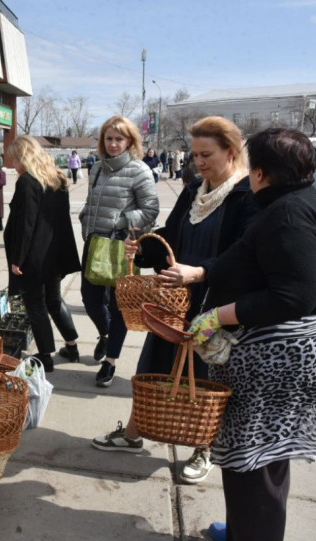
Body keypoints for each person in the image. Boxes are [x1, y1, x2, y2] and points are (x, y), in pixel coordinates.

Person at [188, 128, 316, 541]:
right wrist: (204, 274)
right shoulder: (311, 203)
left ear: (260, 171)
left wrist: (217, 317)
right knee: (261, 461)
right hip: (292, 353)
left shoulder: (288, 214)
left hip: (276, 356)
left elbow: (294, 293)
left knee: (252, 467)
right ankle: (247, 535)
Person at [91, 116, 259, 487]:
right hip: (176, 298)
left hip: (215, 301)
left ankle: (204, 447)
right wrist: (147, 246)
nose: (198, 162)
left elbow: (247, 255)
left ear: (231, 152)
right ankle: (134, 433)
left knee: (203, 380)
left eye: (206, 154)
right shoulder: (194, 190)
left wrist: (201, 273)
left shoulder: (246, 194)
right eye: (195, 154)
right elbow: (175, 233)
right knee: (155, 366)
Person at [78, 115, 159, 387]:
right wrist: (85, 219)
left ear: (130, 141)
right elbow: (91, 201)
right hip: (94, 243)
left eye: (119, 139)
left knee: (119, 305)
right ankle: (106, 334)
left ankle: (110, 361)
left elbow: (151, 210)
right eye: (109, 138)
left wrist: (120, 222)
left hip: (122, 246)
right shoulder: (97, 169)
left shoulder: (140, 170)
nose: (113, 144)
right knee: (90, 298)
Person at [3, 135, 81, 373]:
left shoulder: (28, 181)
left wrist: (18, 258)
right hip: (55, 252)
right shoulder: (57, 178)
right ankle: (71, 345)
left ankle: (45, 356)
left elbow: (26, 224)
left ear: (23, 157)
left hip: (34, 255)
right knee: (54, 301)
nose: (13, 164)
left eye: (14, 159)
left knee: (35, 303)